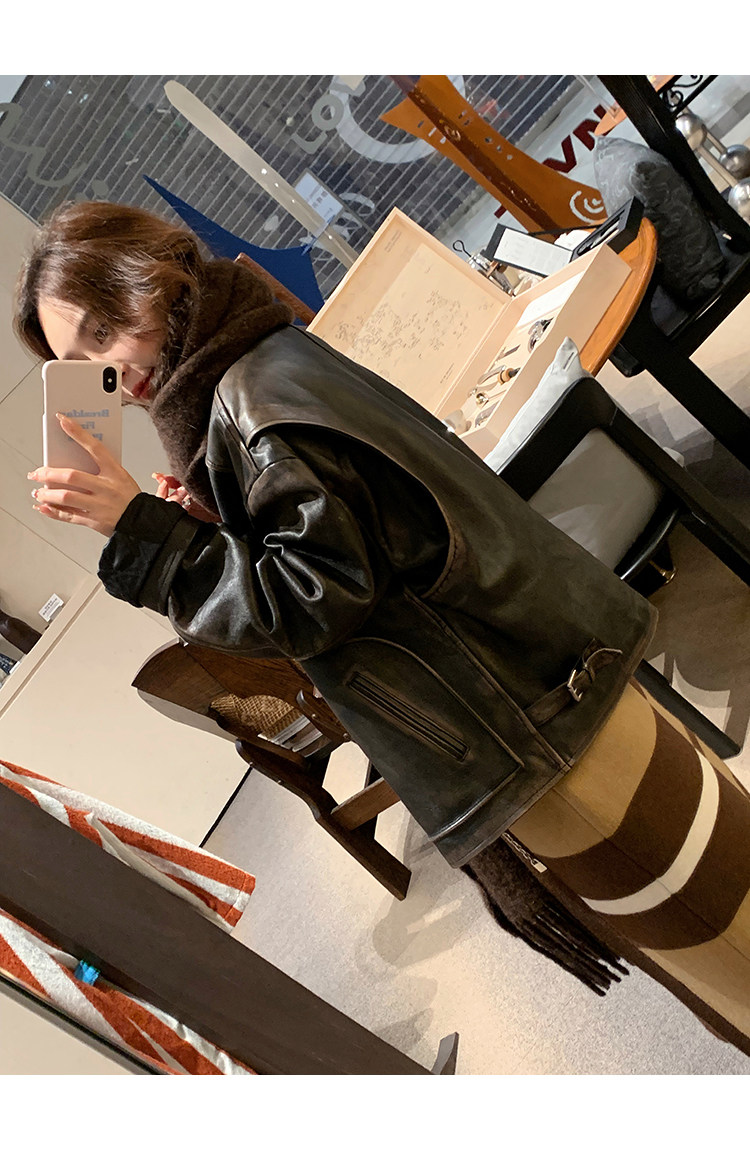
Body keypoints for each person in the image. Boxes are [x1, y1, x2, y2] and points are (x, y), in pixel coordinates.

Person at [13, 201, 750, 1053]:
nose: (109, 368)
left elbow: (310, 600)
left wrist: (151, 539)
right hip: (544, 679)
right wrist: (214, 527)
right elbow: (357, 546)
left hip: (523, 724)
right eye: (78, 361)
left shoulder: (248, 409)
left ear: (160, 275)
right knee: (715, 890)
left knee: (716, 935)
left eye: (106, 329)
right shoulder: (261, 353)